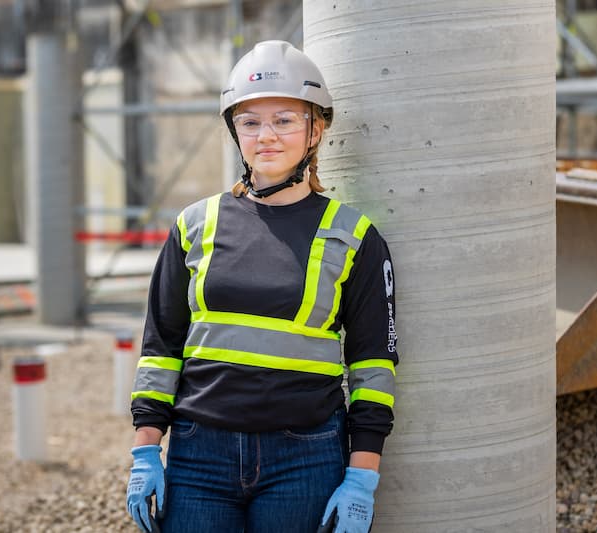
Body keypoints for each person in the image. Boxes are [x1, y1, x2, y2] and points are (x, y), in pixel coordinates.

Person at [126, 40, 398, 533]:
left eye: (284, 120)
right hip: (198, 454)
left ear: (316, 131)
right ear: (235, 132)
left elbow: (373, 364)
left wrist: (362, 477)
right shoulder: (194, 225)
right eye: (250, 122)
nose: (265, 136)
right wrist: (145, 451)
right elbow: (160, 346)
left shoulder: (354, 236)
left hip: (306, 457)